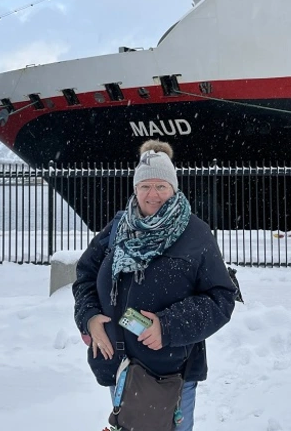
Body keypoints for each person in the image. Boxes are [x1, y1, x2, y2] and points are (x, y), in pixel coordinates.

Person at [73, 140, 237, 431]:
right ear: (135, 189)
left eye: (161, 186)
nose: (153, 195)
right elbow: (85, 274)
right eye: (145, 186)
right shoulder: (118, 227)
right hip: (120, 366)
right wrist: (89, 318)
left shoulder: (195, 233)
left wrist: (168, 326)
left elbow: (220, 298)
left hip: (172, 372)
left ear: (174, 188)